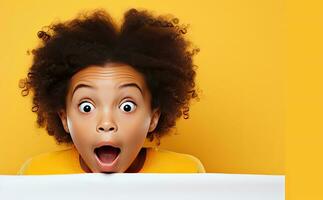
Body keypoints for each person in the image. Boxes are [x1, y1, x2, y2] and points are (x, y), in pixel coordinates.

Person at [17, 8, 204, 174]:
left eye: (127, 106)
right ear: (65, 118)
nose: (107, 123)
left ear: (153, 117)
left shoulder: (184, 174)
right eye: (87, 107)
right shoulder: (37, 174)